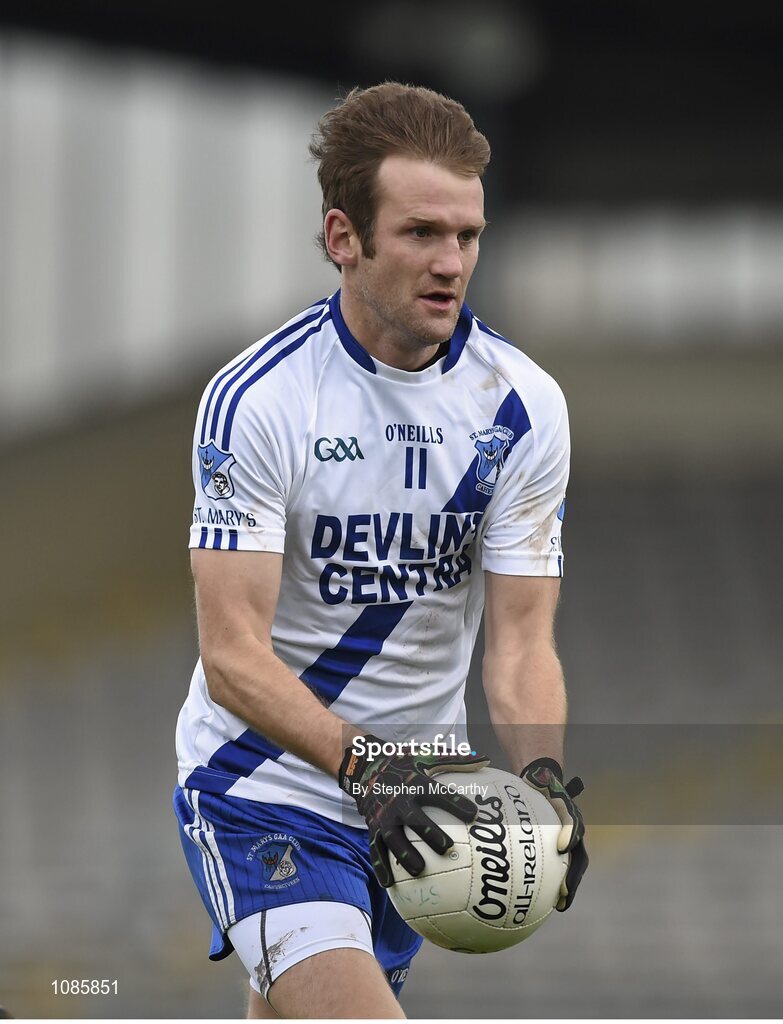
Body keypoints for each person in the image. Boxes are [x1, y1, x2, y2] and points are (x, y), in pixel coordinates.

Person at [173, 81, 587, 1019]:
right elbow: (232, 656)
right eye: (420, 234)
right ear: (341, 237)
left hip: (421, 808)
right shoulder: (261, 401)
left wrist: (541, 788)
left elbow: (520, 645)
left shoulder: (523, 407)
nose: (451, 262)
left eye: (467, 236)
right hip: (266, 787)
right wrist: (370, 772)